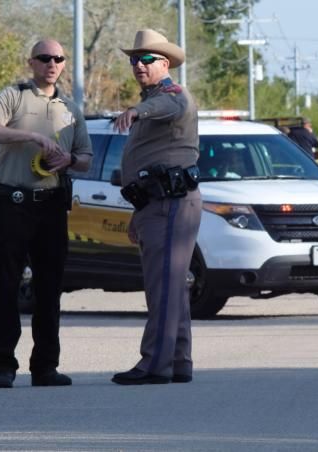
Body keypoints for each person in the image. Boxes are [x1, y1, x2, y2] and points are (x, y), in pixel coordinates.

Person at [0, 39, 93, 389]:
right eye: (45, 58)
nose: (52, 63)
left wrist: (69, 160)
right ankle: (3, 365)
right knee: (6, 285)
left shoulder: (70, 108)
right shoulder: (15, 96)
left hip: (52, 205)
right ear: (32, 62)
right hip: (13, 202)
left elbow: (85, 158)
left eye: (58, 58)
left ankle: (45, 367)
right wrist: (29, 136)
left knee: (49, 287)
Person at [111, 29, 201, 385]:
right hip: (156, 203)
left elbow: (169, 105)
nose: (139, 65)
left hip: (171, 202)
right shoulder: (152, 99)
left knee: (163, 286)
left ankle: (154, 365)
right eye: (135, 59)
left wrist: (137, 110)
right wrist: (138, 213)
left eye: (147, 59)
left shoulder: (171, 95)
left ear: (165, 63)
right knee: (171, 286)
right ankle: (178, 361)